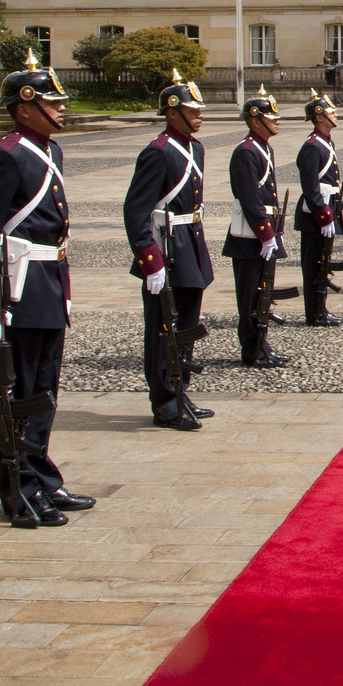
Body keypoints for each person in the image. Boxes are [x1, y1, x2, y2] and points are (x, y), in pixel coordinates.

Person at [0, 53, 97, 527]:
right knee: (17, 394)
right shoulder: (5, 155)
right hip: (17, 290)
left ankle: (43, 477)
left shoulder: (50, 151)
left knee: (43, 389)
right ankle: (19, 491)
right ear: (23, 107)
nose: (60, 110)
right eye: (51, 104)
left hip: (47, 283)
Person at [123, 70, 214, 431]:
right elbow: (135, 209)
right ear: (172, 112)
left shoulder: (197, 148)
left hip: (189, 243)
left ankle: (181, 390)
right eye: (192, 110)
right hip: (166, 248)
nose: (199, 114)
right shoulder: (158, 152)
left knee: (187, 326)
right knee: (163, 329)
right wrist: (149, 259)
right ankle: (164, 400)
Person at [223, 92, 291, 367]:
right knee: (251, 294)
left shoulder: (263, 148)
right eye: (270, 117)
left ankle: (262, 343)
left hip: (263, 232)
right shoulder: (246, 152)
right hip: (250, 237)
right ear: (255, 120)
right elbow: (250, 198)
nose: (276, 122)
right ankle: (252, 349)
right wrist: (265, 234)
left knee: (263, 293)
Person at [295, 91, 343, 328]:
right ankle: (314, 312)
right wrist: (324, 215)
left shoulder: (325, 142)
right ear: (320, 117)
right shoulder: (312, 147)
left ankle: (320, 308)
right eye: (331, 112)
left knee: (322, 262)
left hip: (326, 209)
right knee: (314, 264)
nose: (335, 115)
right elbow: (311, 186)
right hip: (316, 214)